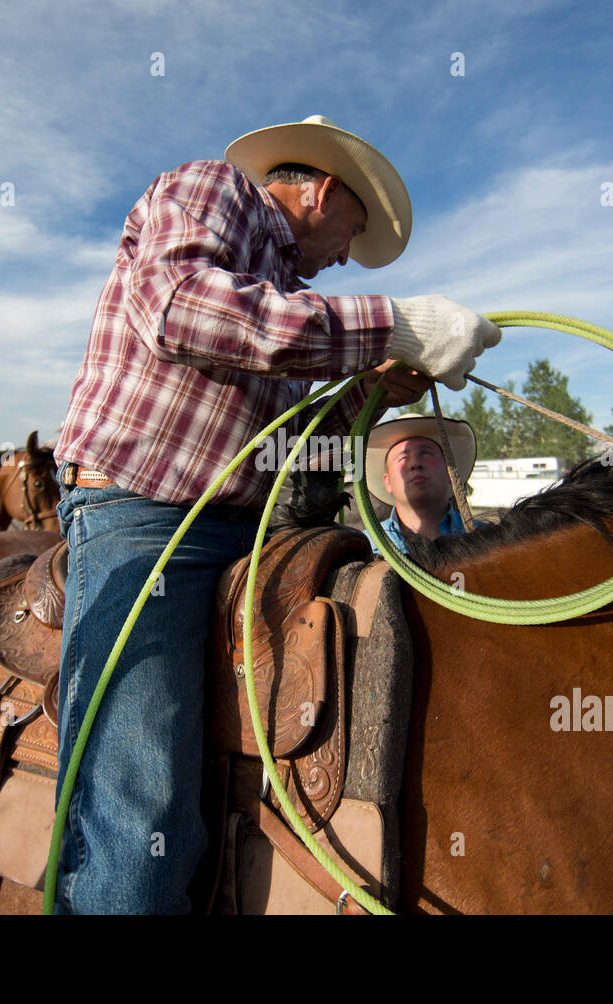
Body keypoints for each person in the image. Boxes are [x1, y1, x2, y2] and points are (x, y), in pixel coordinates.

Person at [51, 115, 501, 913]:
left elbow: (290, 442)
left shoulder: (287, 304)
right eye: (349, 235)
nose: (341, 260)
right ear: (323, 191)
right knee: (142, 797)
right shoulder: (208, 189)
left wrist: (369, 391)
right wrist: (388, 324)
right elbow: (182, 311)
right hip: (142, 509)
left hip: (240, 526)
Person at [364, 413, 481, 556]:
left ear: (449, 472)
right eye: (403, 458)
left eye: (426, 454)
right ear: (387, 481)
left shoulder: (488, 540)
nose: (415, 464)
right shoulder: (364, 548)